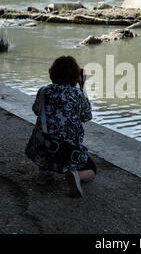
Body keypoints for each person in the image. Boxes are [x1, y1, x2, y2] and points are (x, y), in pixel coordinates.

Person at [25, 56, 96, 197]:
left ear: (53, 73)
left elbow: (36, 111)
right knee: (92, 170)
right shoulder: (78, 94)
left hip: (41, 149)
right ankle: (77, 176)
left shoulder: (44, 91)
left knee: (47, 136)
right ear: (76, 77)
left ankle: (45, 172)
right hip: (67, 153)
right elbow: (86, 117)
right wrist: (82, 87)